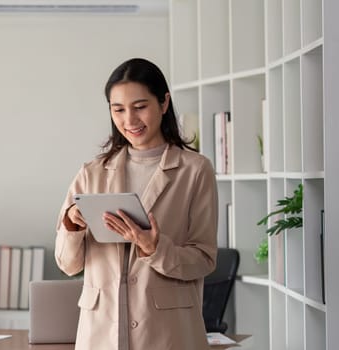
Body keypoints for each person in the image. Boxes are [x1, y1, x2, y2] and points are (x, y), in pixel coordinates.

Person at [55, 58, 218, 350]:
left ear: (164, 102)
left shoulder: (195, 171)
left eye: (140, 107)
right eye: (118, 109)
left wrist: (155, 249)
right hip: (101, 333)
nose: (129, 120)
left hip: (168, 334)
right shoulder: (91, 173)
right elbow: (68, 264)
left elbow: (204, 259)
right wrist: (71, 225)